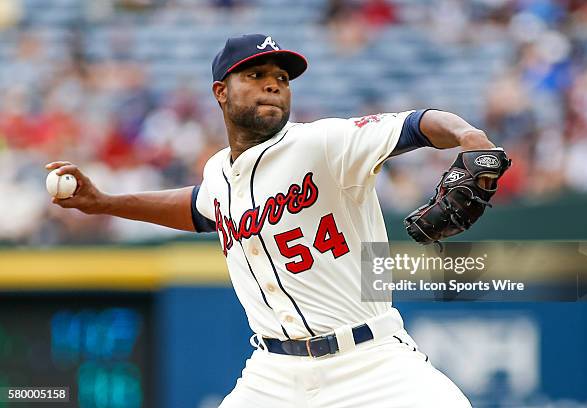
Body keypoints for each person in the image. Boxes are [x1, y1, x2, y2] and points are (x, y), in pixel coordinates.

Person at [47, 34, 496, 407]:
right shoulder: (219, 172)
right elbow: (198, 207)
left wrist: (470, 138)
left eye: (281, 78)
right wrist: (103, 202)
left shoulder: (323, 142)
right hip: (273, 375)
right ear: (221, 91)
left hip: (371, 363)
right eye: (255, 75)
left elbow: (419, 124)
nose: (273, 85)